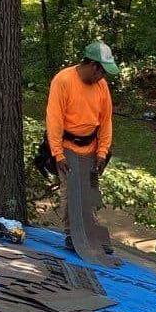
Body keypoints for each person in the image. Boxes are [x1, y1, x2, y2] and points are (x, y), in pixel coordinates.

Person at [45, 41, 119, 248]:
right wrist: (57, 153)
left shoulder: (101, 86)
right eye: (102, 72)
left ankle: (90, 231)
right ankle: (72, 234)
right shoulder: (63, 80)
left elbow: (106, 120)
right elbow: (54, 118)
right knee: (71, 192)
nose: (103, 78)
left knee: (90, 190)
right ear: (94, 66)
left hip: (91, 146)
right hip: (67, 145)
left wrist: (102, 152)